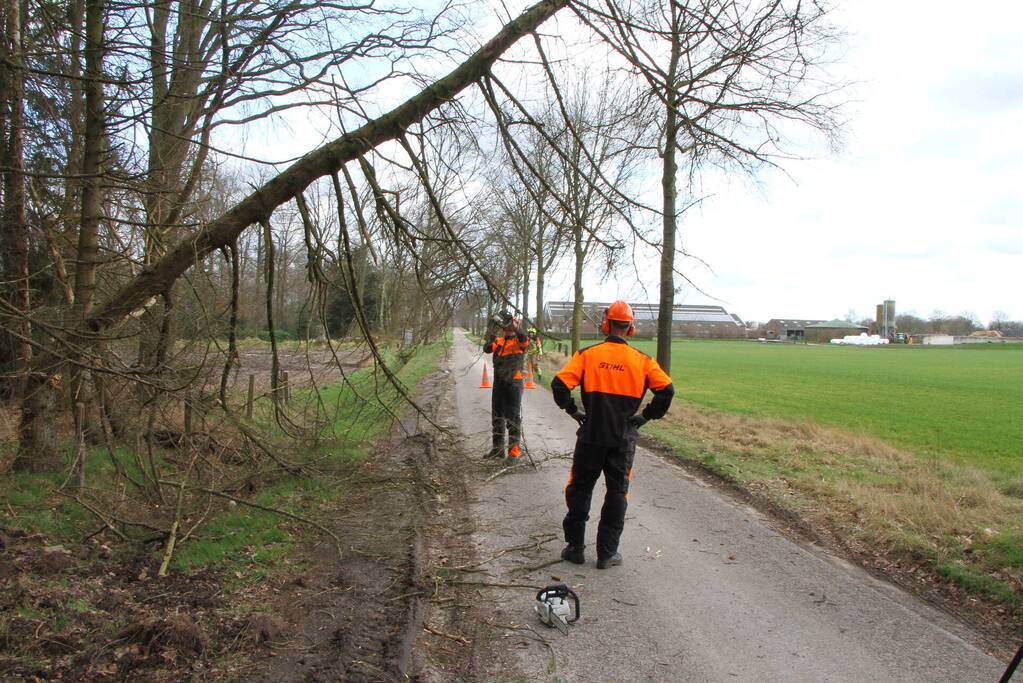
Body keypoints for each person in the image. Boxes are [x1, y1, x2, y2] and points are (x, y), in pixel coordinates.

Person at [550, 301, 674, 568]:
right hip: (622, 438)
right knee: (617, 492)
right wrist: (645, 416)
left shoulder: (587, 355)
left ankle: (575, 547)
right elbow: (667, 390)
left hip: (591, 435)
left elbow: (559, 384)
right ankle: (607, 553)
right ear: (631, 327)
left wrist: (573, 410)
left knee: (580, 489)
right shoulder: (643, 361)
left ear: (606, 324)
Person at [483, 311, 530, 459]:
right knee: (497, 417)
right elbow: (486, 348)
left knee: (513, 418)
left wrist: (516, 327)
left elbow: (524, 339)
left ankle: (514, 452)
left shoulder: (519, 341)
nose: (507, 327)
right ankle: (497, 450)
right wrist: (491, 328)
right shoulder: (499, 341)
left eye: (511, 324)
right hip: (499, 383)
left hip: (513, 384)